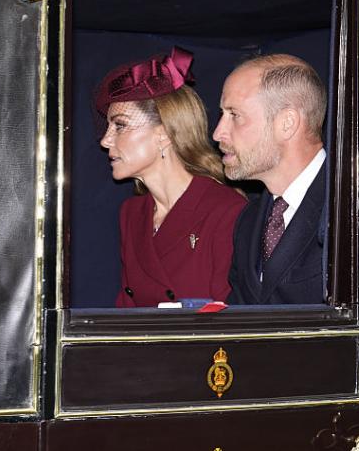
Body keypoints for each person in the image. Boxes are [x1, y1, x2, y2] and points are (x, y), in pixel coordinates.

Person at [96, 47, 246, 308]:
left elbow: (227, 319)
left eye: (119, 125)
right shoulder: (132, 213)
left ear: (164, 133)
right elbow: (126, 312)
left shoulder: (225, 210)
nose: (105, 140)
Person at [213, 54, 328, 305]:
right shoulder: (249, 220)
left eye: (234, 115)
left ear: (287, 123)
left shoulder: (351, 213)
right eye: (222, 114)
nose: (218, 133)